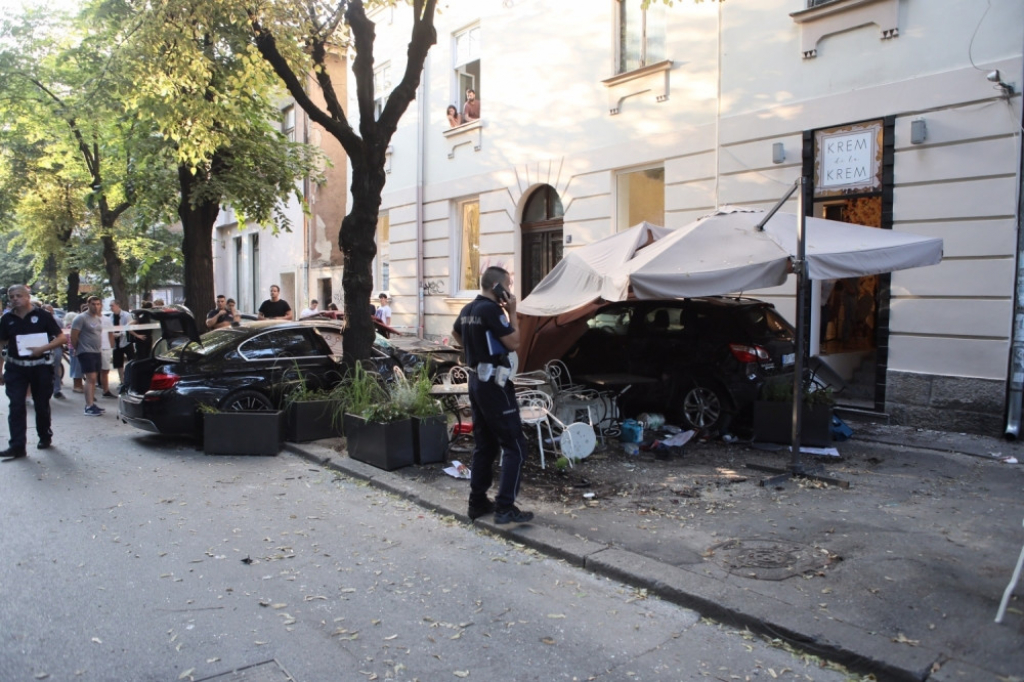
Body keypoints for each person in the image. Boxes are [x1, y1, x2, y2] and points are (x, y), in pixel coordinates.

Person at [451, 266, 533, 525]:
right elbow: (514, 343)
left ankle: (477, 503)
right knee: (515, 445)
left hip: (476, 381)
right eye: (508, 285)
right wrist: (512, 312)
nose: (509, 290)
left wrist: (473, 350)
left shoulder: (468, 309)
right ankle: (505, 507)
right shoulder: (491, 310)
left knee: (485, 444)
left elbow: (455, 333)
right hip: (494, 385)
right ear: (498, 286)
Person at [0, 284, 67, 458]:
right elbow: (1, 343)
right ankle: (17, 446)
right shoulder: (7, 319)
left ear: (27, 297)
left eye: (18, 295)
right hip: (16, 368)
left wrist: (43, 348)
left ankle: (44, 435)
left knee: (41, 404)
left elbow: (61, 338)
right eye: (12, 296)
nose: (15, 299)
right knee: (16, 405)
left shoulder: (43, 316)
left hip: (40, 366)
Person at [70, 296, 107, 416]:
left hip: (97, 351)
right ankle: (88, 406)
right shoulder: (81, 318)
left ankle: (92, 403)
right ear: (88, 304)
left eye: (98, 304)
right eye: (93, 304)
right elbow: (74, 336)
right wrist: (77, 349)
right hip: (86, 351)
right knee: (90, 378)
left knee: (94, 379)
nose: (96, 306)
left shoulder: (97, 319)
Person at [108, 300, 135, 389]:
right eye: (110, 306)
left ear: (118, 305)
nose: (111, 308)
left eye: (112, 305)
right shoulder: (110, 317)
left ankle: (132, 379)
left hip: (126, 341)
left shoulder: (126, 315)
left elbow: (130, 327)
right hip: (116, 343)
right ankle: (122, 381)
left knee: (131, 360)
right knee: (118, 363)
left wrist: (121, 333)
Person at [43, 304, 65, 399]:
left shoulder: (57, 320)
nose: (50, 312)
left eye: (51, 311)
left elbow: (62, 333)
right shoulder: (40, 320)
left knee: (56, 368)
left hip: (55, 346)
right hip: (43, 347)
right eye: (48, 311)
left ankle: (57, 390)